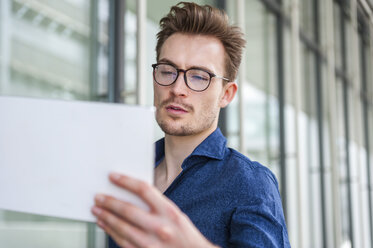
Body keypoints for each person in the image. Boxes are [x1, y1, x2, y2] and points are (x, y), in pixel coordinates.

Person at [91, 2, 291, 247]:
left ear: (226, 94)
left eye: (198, 76)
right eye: (167, 71)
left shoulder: (250, 183)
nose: (177, 89)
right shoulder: (128, 173)